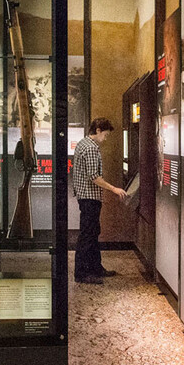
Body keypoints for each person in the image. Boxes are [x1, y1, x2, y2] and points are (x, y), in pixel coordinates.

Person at [72, 117, 127, 284]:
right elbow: (94, 177)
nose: (106, 138)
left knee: (92, 232)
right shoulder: (90, 148)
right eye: (105, 134)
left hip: (87, 196)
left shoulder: (84, 143)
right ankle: (81, 273)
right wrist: (114, 189)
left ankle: (96, 268)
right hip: (89, 197)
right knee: (88, 235)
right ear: (97, 130)